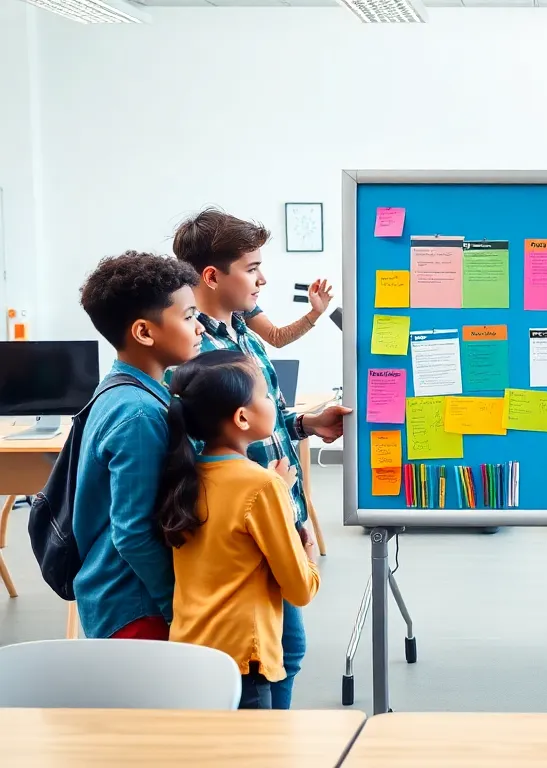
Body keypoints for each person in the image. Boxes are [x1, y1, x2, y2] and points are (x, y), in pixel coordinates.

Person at [173, 207, 350, 709]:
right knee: (260, 659)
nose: (263, 278)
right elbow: (218, 436)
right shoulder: (197, 349)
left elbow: (253, 421)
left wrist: (305, 423)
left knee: (287, 650)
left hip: (272, 508)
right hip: (244, 525)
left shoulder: (244, 332)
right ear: (212, 276)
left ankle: (272, 737)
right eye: (252, 268)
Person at [156, 350, 321, 709]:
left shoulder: (185, 473)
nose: (272, 401)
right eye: (264, 394)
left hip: (189, 651)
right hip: (243, 660)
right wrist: (309, 557)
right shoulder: (261, 487)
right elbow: (300, 590)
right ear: (242, 417)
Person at [73, 251, 202, 639]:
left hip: (126, 599)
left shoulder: (122, 388)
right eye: (189, 316)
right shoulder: (140, 414)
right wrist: (177, 605)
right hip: (138, 606)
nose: (200, 329)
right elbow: (133, 532)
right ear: (145, 332)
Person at [242, 278, 334, 350]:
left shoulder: (244, 306)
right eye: (251, 269)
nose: (261, 280)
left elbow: (276, 337)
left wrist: (316, 312)